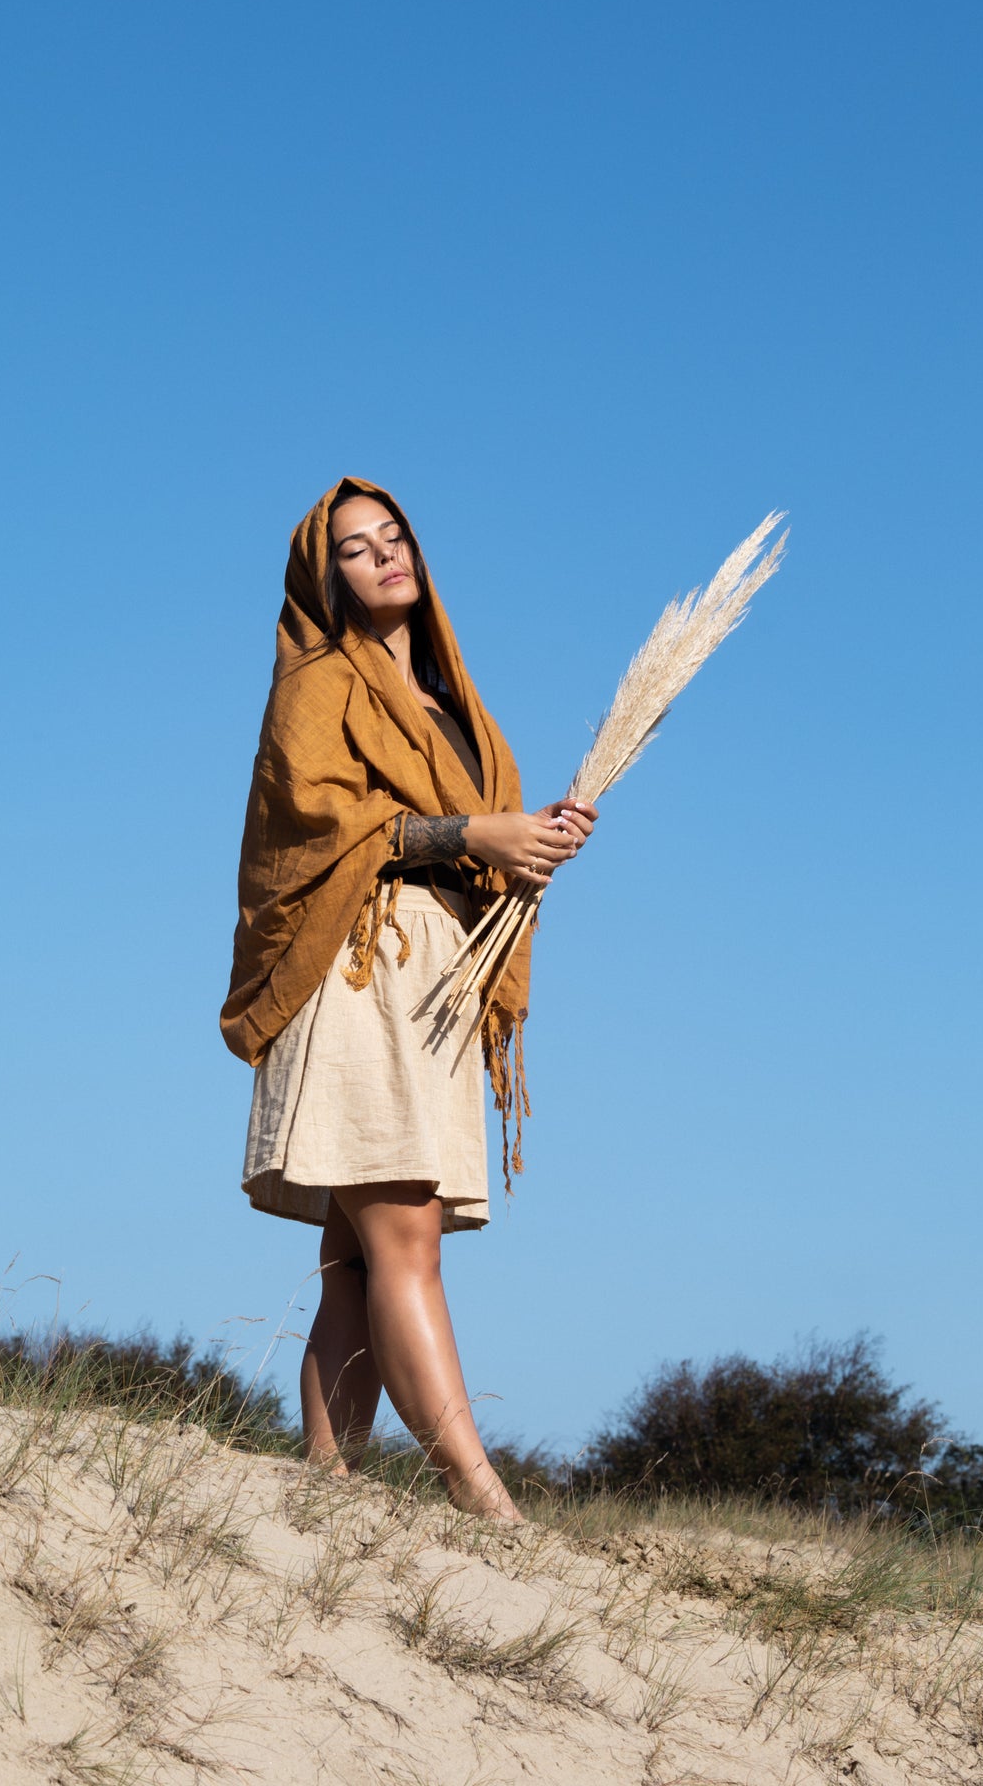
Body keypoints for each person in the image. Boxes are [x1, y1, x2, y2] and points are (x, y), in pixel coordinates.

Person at [222, 476, 597, 1521]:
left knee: (354, 1258)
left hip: (436, 976)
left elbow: (482, 839)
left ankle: (326, 1485)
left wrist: (532, 839)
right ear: (321, 574)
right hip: (358, 963)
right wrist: (471, 834)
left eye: (395, 536)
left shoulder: (458, 708)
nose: (384, 554)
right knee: (404, 1240)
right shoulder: (316, 680)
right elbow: (313, 826)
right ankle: (480, 1496)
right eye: (354, 546)